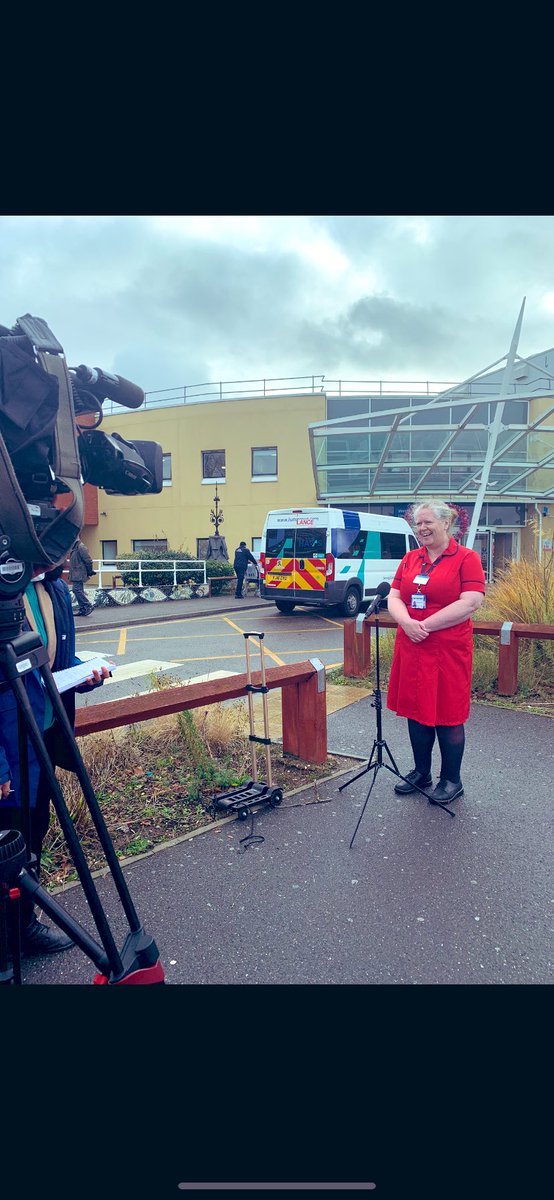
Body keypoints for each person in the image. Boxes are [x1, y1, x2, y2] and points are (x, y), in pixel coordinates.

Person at [0, 566, 110, 955]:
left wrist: (83, 672)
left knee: (33, 834)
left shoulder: (55, 589)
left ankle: (22, 927)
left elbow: (52, 657)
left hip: (45, 736)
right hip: (8, 748)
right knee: (6, 841)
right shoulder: (5, 585)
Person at [385, 500, 486, 806]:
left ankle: (451, 781)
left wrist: (424, 625)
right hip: (413, 646)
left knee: (447, 713)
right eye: (418, 524)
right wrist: (407, 622)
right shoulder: (410, 558)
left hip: (446, 650)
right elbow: (395, 596)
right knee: (416, 710)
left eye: (428, 522)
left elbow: (471, 602)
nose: (423, 528)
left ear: (446, 524)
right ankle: (422, 773)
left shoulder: (466, 558)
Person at [68, 537, 95, 616]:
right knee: (79, 590)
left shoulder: (81, 547)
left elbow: (88, 560)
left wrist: (89, 571)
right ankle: (83, 609)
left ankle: (87, 605)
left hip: (79, 573)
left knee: (76, 590)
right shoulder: (76, 547)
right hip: (77, 573)